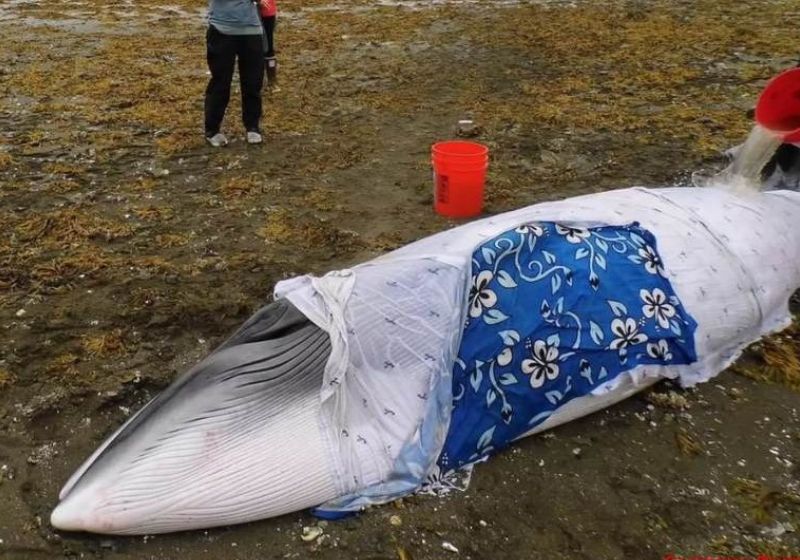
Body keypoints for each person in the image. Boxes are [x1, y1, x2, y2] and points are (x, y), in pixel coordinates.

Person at [205, 0, 265, 147]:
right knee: (220, 82)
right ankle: (212, 130)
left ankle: (252, 126)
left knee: (253, 82)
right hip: (221, 29)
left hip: (252, 29)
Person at [258, 0, 278, 87]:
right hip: (249, 13)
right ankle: (258, 79)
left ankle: (271, 79)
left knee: (269, 46)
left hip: (267, 10)